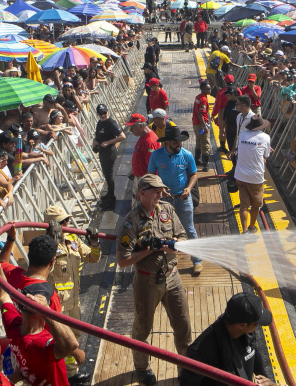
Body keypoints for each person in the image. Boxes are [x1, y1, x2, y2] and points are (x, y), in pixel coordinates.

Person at [116, 175, 190, 386]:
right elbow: (122, 261)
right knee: (142, 328)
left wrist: (176, 243)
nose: (160, 194)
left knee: (183, 325)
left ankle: (186, 368)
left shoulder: (167, 210)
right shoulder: (131, 222)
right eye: (155, 191)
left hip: (173, 278)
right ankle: (142, 368)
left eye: (161, 190)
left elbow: (183, 236)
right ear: (142, 193)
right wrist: (148, 250)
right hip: (147, 283)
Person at [44, 205, 100, 384]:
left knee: (74, 337)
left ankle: (70, 373)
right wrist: (53, 242)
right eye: (62, 222)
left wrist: (94, 242)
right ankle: (60, 375)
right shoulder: (46, 244)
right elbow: (44, 269)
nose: (67, 224)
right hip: (56, 303)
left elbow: (92, 258)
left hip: (74, 301)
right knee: (60, 339)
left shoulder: (73, 238)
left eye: (67, 220)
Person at [179, 292, 275, 386]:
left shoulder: (247, 331)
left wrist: (266, 380)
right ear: (242, 325)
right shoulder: (200, 352)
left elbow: (253, 353)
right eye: (256, 323)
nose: (258, 326)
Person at [147, 126, 202, 274]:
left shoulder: (187, 155)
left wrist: (189, 189)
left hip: (183, 198)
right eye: (176, 142)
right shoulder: (156, 155)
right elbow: (151, 175)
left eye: (180, 142)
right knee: (163, 231)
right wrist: (159, 189)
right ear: (167, 143)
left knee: (189, 229)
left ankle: (197, 261)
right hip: (164, 201)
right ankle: (167, 263)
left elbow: (194, 174)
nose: (179, 144)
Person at [234, 116, 271, 233]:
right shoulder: (265, 137)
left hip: (240, 175)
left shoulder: (243, 135)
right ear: (262, 127)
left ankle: (244, 230)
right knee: (256, 205)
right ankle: (251, 227)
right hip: (255, 178)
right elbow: (266, 157)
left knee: (244, 205)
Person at [92, 104, 125, 210]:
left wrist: (108, 142)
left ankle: (111, 199)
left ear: (107, 112)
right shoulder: (99, 123)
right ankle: (109, 194)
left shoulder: (111, 123)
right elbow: (97, 136)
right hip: (102, 152)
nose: (102, 115)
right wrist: (95, 141)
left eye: (104, 113)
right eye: (100, 114)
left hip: (109, 152)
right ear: (97, 114)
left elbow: (122, 136)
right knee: (106, 175)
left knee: (109, 176)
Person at [126, 113, 160, 185]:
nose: (131, 130)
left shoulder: (149, 142)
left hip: (145, 180)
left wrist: (144, 185)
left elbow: (152, 167)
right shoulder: (143, 136)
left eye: (132, 127)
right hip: (141, 177)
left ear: (141, 126)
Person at [192, 80, 212, 171]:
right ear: (203, 89)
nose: (210, 90)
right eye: (208, 88)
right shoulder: (203, 99)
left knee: (198, 141)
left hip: (195, 123)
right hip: (201, 124)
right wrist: (204, 126)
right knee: (205, 143)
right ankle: (205, 165)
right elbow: (201, 113)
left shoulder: (198, 97)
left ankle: (196, 160)